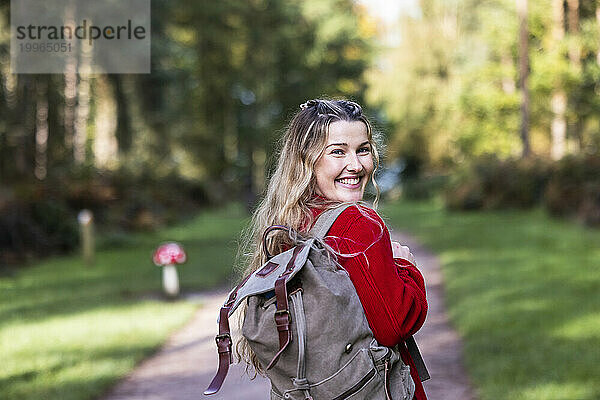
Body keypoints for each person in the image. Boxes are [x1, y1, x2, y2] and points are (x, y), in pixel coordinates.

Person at [236, 98, 428, 400]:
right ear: (307, 159)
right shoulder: (358, 224)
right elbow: (396, 324)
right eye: (338, 152)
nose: (356, 165)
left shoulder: (288, 222)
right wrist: (406, 269)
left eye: (362, 149)